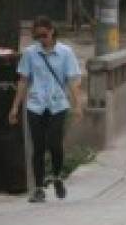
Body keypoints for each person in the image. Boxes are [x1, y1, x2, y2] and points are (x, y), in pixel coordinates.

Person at [8, 16, 83, 203]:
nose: (41, 39)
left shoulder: (66, 53)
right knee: (38, 147)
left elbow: (73, 81)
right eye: (37, 36)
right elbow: (24, 81)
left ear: (52, 31)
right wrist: (15, 107)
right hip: (36, 105)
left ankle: (57, 176)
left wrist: (77, 105)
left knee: (54, 143)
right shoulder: (30, 53)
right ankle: (39, 188)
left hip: (58, 104)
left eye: (44, 35)